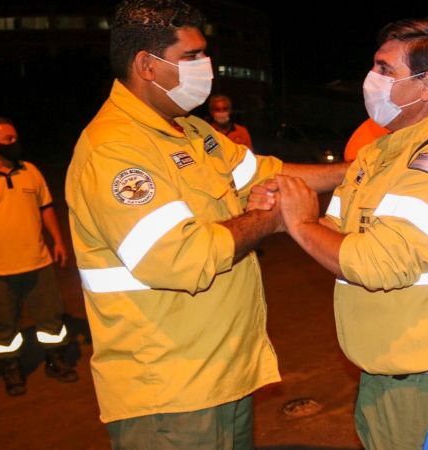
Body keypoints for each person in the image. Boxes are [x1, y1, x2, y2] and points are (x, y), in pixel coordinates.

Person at [65, 1, 345, 448]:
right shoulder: (116, 149)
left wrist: (360, 170)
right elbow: (180, 257)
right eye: (191, 56)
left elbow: (267, 172)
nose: (205, 67)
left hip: (219, 375)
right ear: (146, 66)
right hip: (170, 392)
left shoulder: (190, 133)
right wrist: (271, 218)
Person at [254, 18, 428, 450]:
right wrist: (286, 210)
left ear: (427, 84)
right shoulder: (378, 154)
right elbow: (333, 228)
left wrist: (300, 223)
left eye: (385, 69)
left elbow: (378, 263)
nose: (372, 80)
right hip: (385, 382)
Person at [0, 117, 79, 397]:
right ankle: (10, 368)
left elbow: (46, 207)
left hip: (37, 262)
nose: (16, 144)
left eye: (15, 138)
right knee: (2, 326)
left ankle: (56, 360)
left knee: (51, 317)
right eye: (8, 139)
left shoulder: (30, 171)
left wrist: (58, 241)